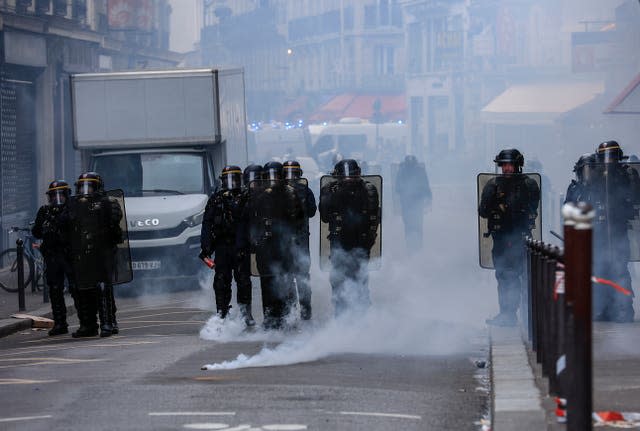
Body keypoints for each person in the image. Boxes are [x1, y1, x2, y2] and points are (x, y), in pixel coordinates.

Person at [479, 149, 540, 327]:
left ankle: (527, 316)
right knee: (503, 276)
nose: (506, 168)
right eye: (503, 165)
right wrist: (490, 199)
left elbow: (532, 210)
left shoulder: (529, 185)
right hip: (500, 240)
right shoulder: (492, 185)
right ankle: (507, 314)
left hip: (520, 239)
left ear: (518, 165)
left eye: (510, 165)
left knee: (522, 277)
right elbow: (482, 212)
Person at [584, 141, 638, 322]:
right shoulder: (594, 177)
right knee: (600, 270)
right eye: (606, 157)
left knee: (619, 270)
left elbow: (634, 198)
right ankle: (602, 309)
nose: (609, 161)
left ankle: (624, 309)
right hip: (599, 233)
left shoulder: (626, 176)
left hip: (618, 231)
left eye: (613, 157)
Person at [319, 159, 380, 316]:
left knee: (360, 278)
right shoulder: (330, 190)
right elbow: (325, 216)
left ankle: (361, 313)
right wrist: (337, 194)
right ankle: (342, 314)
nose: (349, 181)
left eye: (352, 177)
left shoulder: (369, 190)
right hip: (340, 242)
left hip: (361, 242)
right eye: (347, 177)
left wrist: (368, 241)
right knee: (339, 279)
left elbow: (374, 218)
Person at [245, 161, 302, 329]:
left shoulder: (291, 194)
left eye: (276, 176)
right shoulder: (258, 195)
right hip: (266, 247)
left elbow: (299, 218)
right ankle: (270, 318)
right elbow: (252, 220)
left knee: (287, 281)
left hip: (284, 246)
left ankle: (289, 317)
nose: (273, 180)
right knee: (267, 282)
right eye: (270, 176)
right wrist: (255, 241)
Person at [67, 172, 123, 337]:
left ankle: (108, 322)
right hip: (83, 253)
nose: (86, 191)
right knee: (82, 288)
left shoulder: (107, 203)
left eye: (89, 187)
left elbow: (114, 221)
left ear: (98, 188)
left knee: (103, 286)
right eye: (83, 187)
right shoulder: (74, 205)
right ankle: (88, 325)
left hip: (102, 251)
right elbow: (67, 225)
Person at [200, 166, 255, 327]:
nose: (231, 183)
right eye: (228, 179)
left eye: (235, 179)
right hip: (222, 246)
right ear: (223, 181)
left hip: (241, 246)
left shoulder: (247, 198)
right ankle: (221, 313)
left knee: (244, 281)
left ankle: (246, 315)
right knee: (221, 281)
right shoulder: (216, 199)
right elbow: (207, 223)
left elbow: (253, 222)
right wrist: (206, 246)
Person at [32, 180, 77, 336]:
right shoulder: (45, 211)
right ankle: (60, 323)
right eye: (53, 196)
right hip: (52, 256)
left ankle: (87, 322)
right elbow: (36, 232)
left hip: (68, 255)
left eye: (60, 195)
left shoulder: (73, 209)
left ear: (66, 195)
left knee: (76, 288)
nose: (56, 199)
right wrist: (45, 225)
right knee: (55, 289)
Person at [283, 160, 317, 320]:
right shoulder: (305, 190)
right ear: (299, 174)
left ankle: (291, 311)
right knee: (302, 276)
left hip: (285, 241)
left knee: (288, 276)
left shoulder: (277, 192)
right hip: (301, 240)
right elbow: (312, 212)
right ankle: (305, 310)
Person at [394, 155, 432, 252]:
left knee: (417, 225)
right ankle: (410, 247)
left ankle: (418, 247)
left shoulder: (419, 171)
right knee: (409, 225)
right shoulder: (402, 171)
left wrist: (428, 198)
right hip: (407, 204)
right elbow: (397, 187)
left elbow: (426, 185)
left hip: (417, 204)